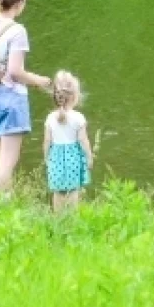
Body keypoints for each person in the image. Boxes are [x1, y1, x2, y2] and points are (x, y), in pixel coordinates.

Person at [0, 0, 51, 198]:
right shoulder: (17, 31)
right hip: (10, 99)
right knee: (7, 162)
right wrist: (40, 81)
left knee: (2, 160)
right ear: (19, 3)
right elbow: (15, 71)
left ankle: (5, 209)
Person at [43, 70, 93, 211]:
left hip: (55, 157)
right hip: (74, 157)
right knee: (73, 189)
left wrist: (47, 158)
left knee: (58, 191)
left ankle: (58, 218)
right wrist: (89, 157)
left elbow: (47, 141)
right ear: (74, 96)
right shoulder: (78, 118)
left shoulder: (50, 118)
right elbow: (83, 140)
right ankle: (72, 218)